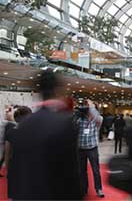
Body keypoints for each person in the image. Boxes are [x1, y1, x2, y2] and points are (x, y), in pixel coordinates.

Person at [8, 70, 82, 200]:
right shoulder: (64, 123)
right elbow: (70, 174)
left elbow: (15, 168)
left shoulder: (22, 125)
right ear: (57, 90)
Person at [77, 99, 104, 198]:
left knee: (95, 170)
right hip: (80, 149)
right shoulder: (79, 119)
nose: (86, 108)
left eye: (87, 106)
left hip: (92, 148)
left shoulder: (98, 119)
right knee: (82, 171)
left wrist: (91, 106)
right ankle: (84, 189)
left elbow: (98, 118)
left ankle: (99, 189)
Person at [5, 106, 32, 198]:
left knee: (15, 195)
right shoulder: (34, 132)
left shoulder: (11, 132)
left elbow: (7, 154)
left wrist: (8, 169)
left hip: (15, 167)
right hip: (30, 167)